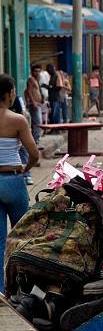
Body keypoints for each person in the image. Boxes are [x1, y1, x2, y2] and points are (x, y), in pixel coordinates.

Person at [0, 74, 39, 290]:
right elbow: (33, 154)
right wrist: (26, 169)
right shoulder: (17, 120)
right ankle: (23, 286)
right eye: (13, 91)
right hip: (13, 180)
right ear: (8, 94)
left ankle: (1, 290)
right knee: (23, 234)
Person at [24, 64, 43, 144]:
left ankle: (36, 139)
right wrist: (33, 102)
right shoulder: (31, 79)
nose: (37, 73)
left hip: (37, 104)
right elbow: (28, 91)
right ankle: (35, 140)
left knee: (37, 122)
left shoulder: (36, 80)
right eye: (35, 71)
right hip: (33, 104)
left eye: (39, 71)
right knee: (37, 122)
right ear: (32, 72)